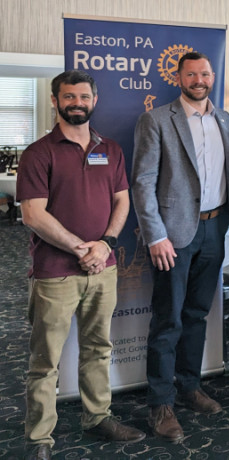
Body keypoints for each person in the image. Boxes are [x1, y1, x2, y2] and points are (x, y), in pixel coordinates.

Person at [18, 70, 144, 460]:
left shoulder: (111, 148)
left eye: (84, 96)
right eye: (69, 97)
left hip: (103, 269)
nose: (77, 103)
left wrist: (104, 245)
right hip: (55, 273)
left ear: (94, 100)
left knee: (97, 348)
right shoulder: (39, 153)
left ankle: (97, 417)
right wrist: (80, 249)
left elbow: (123, 200)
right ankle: (40, 438)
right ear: (55, 101)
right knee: (45, 360)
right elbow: (32, 215)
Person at [132, 52, 229, 442]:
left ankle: (190, 386)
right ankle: (160, 403)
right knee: (168, 320)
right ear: (178, 77)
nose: (199, 79)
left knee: (196, 314)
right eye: (191, 73)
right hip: (172, 237)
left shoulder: (224, 118)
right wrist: (155, 235)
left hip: (215, 228)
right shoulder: (157, 119)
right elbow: (142, 181)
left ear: (213, 77)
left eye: (205, 73)